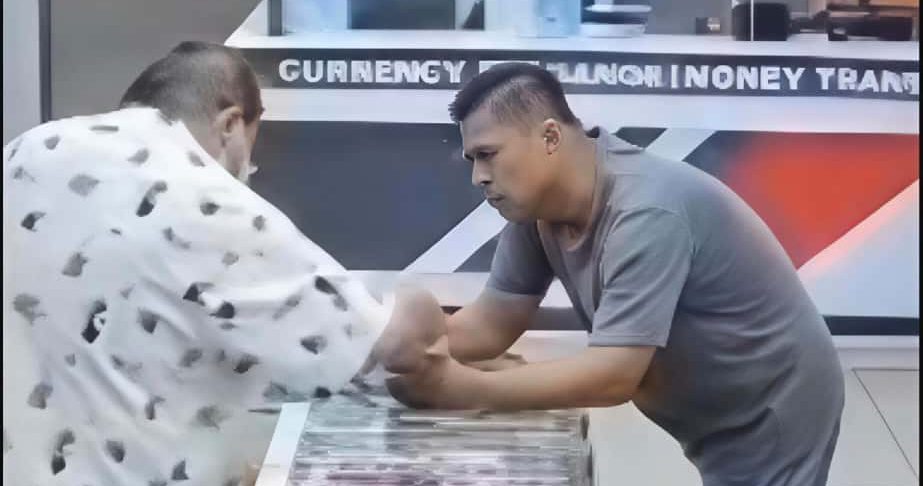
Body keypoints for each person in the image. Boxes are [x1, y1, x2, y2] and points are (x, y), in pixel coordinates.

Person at [383, 62, 846, 486]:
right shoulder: (538, 212)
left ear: (549, 137)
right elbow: (492, 323)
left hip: (771, 403)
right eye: (473, 160)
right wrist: (393, 343)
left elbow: (613, 375)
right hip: (712, 407)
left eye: (488, 154)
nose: (479, 177)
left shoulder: (645, 213)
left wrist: (462, 389)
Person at [1, 41, 431, 486]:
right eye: (251, 154)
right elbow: (394, 345)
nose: (248, 171)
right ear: (230, 125)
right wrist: (410, 301)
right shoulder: (201, 193)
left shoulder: (26, 150)